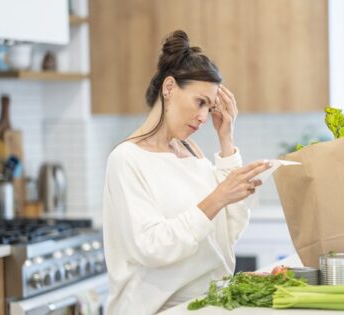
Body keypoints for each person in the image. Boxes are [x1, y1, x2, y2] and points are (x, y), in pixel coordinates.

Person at [103, 30, 271, 315]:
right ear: (169, 88)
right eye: (200, 102)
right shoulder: (126, 159)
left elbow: (227, 233)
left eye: (211, 106)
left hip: (206, 306)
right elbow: (152, 247)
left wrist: (227, 141)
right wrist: (218, 197)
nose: (204, 117)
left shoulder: (192, 152)